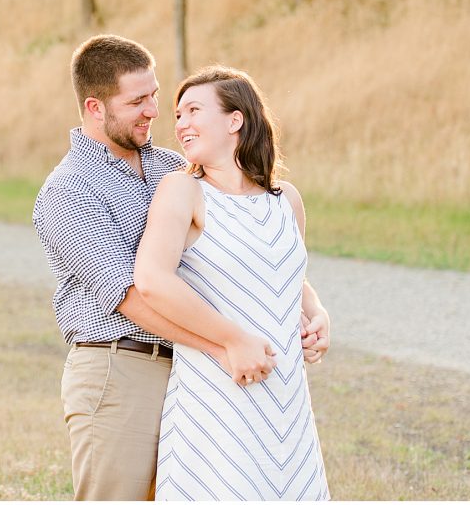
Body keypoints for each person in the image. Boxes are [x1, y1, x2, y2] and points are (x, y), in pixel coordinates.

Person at [33, 35, 329, 500]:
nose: (155, 111)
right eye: (137, 101)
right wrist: (223, 344)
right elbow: (131, 293)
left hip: (190, 368)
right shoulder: (68, 190)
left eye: (154, 96)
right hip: (120, 369)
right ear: (95, 107)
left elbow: (249, 262)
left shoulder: (175, 167)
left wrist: (310, 313)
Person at [134, 65, 330, 500]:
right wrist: (234, 340)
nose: (180, 123)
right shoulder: (183, 190)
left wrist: (316, 314)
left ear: (235, 119)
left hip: (286, 394)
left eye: (193, 110)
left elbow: (286, 276)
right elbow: (151, 280)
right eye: (178, 115)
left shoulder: (286, 200)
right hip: (218, 388)